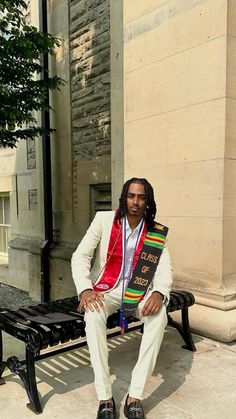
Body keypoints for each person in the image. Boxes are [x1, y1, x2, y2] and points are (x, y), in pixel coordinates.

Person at [71, 177, 173, 419]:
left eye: (141, 197)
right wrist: (85, 289)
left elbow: (165, 269)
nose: (135, 202)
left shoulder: (156, 232)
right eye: (131, 196)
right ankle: (105, 396)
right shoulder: (104, 220)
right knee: (93, 315)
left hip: (139, 291)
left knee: (159, 316)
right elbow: (80, 256)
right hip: (107, 289)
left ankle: (134, 395)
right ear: (124, 197)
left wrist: (159, 292)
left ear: (148, 201)